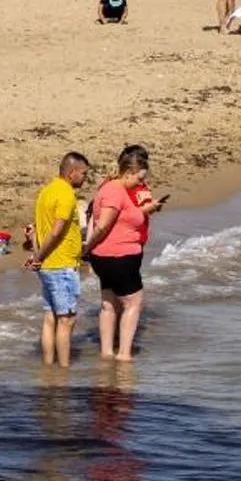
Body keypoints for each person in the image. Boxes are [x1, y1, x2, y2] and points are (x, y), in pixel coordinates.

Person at [83, 144, 160, 361]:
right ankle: (124, 356)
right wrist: (86, 247)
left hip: (106, 257)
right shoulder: (115, 191)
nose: (140, 183)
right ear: (127, 173)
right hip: (119, 257)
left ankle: (106, 354)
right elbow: (102, 225)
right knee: (133, 303)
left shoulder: (110, 189)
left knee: (109, 304)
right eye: (139, 178)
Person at [28, 151, 90, 366]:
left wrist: (38, 256)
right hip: (61, 265)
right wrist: (38, 256)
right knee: (67, 319)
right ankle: (63, 370)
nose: (85, 178)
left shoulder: (46, 191)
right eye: (83, 173)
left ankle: (48, 367)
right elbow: (56, 231)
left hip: (48, 266)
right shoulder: (65, 194)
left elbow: (39, 229)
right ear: (72, 173)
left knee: (50, 317)